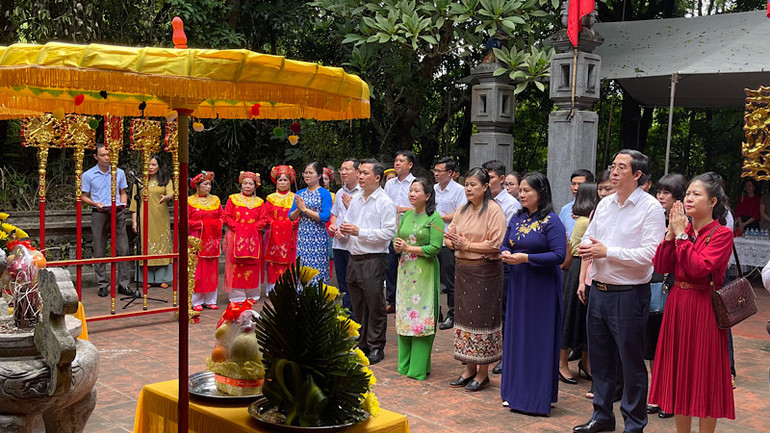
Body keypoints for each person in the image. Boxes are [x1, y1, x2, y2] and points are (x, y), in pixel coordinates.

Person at [573, 150, 666, 433]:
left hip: (629, 294)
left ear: (637, 175)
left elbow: (651, 254)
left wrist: (606, 251)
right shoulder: (605, 204)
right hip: (599, 290)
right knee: (600, 359)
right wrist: (590, 248)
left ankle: (635, 423)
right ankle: (602, 416)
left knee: (630, 362)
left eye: (621, 167)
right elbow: (591, 236)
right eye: (613, 166)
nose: (614, 171)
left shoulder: (650, 208)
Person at [649, 172, 735, 433]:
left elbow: (700, 267)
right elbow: (662, 266)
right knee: (680, 376)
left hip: (703, 307)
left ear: (712, 202)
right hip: (677, 304)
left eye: (696, 194)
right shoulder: (680, 230)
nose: (689, 198)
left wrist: (682, 237)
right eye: (687, 193)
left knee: (705, 375)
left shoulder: (721, 234)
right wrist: (671, 235)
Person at [500, 172, 567, 415]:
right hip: (519, 285)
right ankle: (514, 391)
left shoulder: (552, 221)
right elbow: (505, 243)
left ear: (542, 193)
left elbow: (559, 255)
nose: (522, 194)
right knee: (517, 337)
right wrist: (505, 253)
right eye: (522, 190)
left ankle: (536, 397)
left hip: (541, 288)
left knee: (537, 340)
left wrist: (527, 258)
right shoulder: (517, 217)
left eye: (527, 190)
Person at [444, 167, 507, 392]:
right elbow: (449, 236)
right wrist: (455, 242)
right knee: (465, 319)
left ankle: (483, 373)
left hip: (485, 272)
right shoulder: (462, 210)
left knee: (482, 320)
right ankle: (468, 368)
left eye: (473, 185)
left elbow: (495, 244)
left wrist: (467, 245)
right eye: (467, 185)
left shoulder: (493, 211)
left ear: (485, 187)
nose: (469, 189)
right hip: (463, 271)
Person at [336, 159, 397, 365]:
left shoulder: (384, 202)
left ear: (377, 178)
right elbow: (349, 224)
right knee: (358, 304)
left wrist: (359, 231)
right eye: (359, 172)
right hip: (354, 257)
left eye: (364, 173)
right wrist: (342, 229)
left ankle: (376, 346)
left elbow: (389, 232)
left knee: (375, 305)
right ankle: (362, 343)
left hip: (373, 259)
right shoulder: (356, 199)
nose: (360, 176)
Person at [394, 178, 444, 380]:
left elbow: (435, 248)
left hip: (425, 272)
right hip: (405, 270)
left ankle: (418, 368)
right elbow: (399, 239)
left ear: (428, 195)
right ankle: (404, 365)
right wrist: (398, 246)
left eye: (416, 191)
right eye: (410, 190)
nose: (412, 194)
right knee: (405, 315)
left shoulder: (435, 218)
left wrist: (409, 249)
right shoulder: (406, 216)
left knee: (422, 317)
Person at [645, 173, 686, 418]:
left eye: (667, 192)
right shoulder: (652, 216)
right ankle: (656, 394)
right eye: (659, 191)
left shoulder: (686, 224)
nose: (661, 196)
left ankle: (671, 397)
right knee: (651, 345)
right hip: (652, 283)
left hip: (674, 287)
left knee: (671, 346)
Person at [481, 160, 521, 375]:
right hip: (483, 262)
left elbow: (505, 238)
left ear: (502, 179)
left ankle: (505, 355)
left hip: (502, 263)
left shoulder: (510, 205)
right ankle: (486, 352)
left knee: (504, 311)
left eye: (491, 177)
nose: (486, 182)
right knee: (488, 310)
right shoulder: (482, 202)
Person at [81, 142, 132, 298]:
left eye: (109, 155)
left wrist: (124, 202)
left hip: (117, 212)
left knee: (123, 248)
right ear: (96, 156)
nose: (106, 158)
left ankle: (124, 284)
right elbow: (83, 196)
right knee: (100, 249)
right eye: (103, 155)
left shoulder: (119, 173)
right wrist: (95, 203)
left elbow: (123, 192)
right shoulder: (88, 175)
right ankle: (102, 284)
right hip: (99, 212)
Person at [559, 182, 598, 386]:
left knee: (584, 319)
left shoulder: (592, 218)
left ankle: (585, 362)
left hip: (587, 271)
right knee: (571, 316)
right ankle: (562, 362)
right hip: (577, 270)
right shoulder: (584, 221)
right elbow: (575, 247)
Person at [129, 155, 174, 289]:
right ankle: (145, 279)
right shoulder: (140, 182)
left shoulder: (166, 180)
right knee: (145, 245)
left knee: (162, 245)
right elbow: (133, 202)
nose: (150, 167)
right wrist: (134, 221)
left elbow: (171, 193)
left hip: (161, 217)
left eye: (153, 164)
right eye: (148, 164)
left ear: (159, 166)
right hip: (144, 216)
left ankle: (163, 278)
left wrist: (166, 197)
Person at [432, 157, 466, 331]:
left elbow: (460, 213)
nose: (436, 174)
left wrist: (439, 217)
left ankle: (452, 314)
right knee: (432, 277)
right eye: (435, 171)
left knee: (449, 279)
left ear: (451, 173)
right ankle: (434, 311)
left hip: (448, 240)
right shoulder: (433, 189)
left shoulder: (459, 190)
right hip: (433, 238)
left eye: (440, 171)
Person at [223, 171, 265, 303]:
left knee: (252, 266)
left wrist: (252, 228)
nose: (247, 186)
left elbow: (264, 219)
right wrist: (238, 227)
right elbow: (226, 217)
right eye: (245, 183)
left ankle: (253, 295)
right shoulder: (233, 199)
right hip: (235, 236)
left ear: (255, 186)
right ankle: (237, 296)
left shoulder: (259, 202)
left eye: (251, 184)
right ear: (241, 184)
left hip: (254, 238)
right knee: (236, 266)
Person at [328, 158, 362, 319]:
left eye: (347, 169)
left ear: (357, 172)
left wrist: (346, 230)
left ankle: (357, 317)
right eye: (342, 169)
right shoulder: (341, 192)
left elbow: (364, 218)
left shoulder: (363, 193)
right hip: (338, 244)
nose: (343, 172)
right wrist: (334, 226)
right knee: (343, 284)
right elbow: (335, 214)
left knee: (355, 283)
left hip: (353, 245)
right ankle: (347, 316)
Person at [290, 162, 333, 284]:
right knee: (303, 267)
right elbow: (291, 216)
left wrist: (305, 210)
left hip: (318, 237)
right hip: (303, 236)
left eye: (310, 173)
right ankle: (302, 297)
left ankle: (319, 298)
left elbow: (325, 216)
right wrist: (299, 209)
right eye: (305, 173)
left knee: (318, 268)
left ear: (319, 175)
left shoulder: (324, 193)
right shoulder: (300, 193)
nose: (307, 175)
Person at [384, 150, 416, 313]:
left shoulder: (415, 183)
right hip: (392, 230)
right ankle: (392, 300)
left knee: (409, 265)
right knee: (390, 266)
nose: (397, 164)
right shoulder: (390, 183)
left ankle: (409, 298)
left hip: (409, 231)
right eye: (396, 160)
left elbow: (420, 207)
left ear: (410, 165)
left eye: (401, 161)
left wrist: (400, 209)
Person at [188, 171, 223, 311]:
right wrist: (202, 224)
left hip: (212, 241)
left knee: (211, 270)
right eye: (205, 184)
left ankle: (210, 299)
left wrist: (214, 224)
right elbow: (186, 220)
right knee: (198, 270)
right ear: (197, 186)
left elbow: (223, 217)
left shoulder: (216, 200)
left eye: (209, 184)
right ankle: (196, 300)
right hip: (197, 240)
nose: (208, 187)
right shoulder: (190, 201)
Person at [264, 165, 298, 293]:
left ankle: (290, 288)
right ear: (276, 182)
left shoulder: (295, 197)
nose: (282, 182)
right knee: (273, 263)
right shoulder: (270, 198)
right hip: (273, 236)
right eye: (280, 180)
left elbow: (299, 215)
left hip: (291, 235)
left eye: (285, 180)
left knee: (291, 261)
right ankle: (273, 289)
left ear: (290, 182)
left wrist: (291, 223)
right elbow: (266, 216)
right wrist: (277, 224)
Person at [559, 169, 595, 236]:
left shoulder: (597, 208)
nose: (575, 188)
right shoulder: (565, 209)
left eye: (580, 184)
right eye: (573, 184)